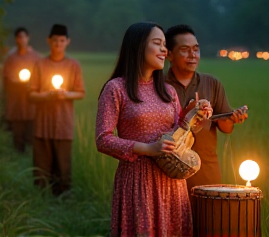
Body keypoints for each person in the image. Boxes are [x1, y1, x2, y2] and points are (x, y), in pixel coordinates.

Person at [96, 22, 203, 237]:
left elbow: (179, 136)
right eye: (157, 43)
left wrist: (193, 117)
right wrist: (148, 148)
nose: (164, 50)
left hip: (172, 183)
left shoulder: (168, 92)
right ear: (138, 47)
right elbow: (103, 139)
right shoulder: (116, 89)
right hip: (138, 182)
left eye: (165, 44)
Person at [165, 24, 248, 200]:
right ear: (169, 54)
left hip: (206, 169)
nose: (193, 55)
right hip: (168, 169)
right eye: (185, 50)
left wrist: (232, 118)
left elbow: (225, 127)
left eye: (196, 49)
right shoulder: (160, 85)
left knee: (207, 223)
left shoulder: (211, 83)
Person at [29, 24, 85, 196]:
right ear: (49, 41)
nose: (58, 44)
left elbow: (81, 93)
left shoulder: (73, 64)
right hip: (43, 122)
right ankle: (41, 197)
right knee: (42, 162)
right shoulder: (40, 64)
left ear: (67, 42)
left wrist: (65, 94)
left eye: (62, 40)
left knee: (63, 163)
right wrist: (47, 95)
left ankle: (63, 196)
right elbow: (31, 94)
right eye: (55, 41)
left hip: (63, 123)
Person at [2, 27, 40, 152]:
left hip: (31, 100)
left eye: (24, 37)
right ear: (16, 39)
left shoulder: (36, 57)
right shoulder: (12, 58)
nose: (22, 40)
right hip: (16, 99)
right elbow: (6, 77)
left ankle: (30, 153)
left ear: (28, 38)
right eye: (19, 37)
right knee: (17, 128)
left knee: (31, 127)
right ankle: (17, 153)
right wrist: (14, 81)